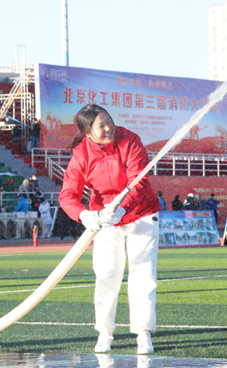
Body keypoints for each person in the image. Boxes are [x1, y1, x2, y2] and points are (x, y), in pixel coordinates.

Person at [59, 104, 161, 354]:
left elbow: (138, 182)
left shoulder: (130, 140)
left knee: (143, 275)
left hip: (142, 214)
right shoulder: (81, 154)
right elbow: (68, 195)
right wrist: (84, 215)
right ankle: (105, 333)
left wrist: (122, 209)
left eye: (109, 121)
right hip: (105, 219)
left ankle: (143, 333)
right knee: (107, 275)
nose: (108, 128)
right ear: (87, 132)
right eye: (101, 126)